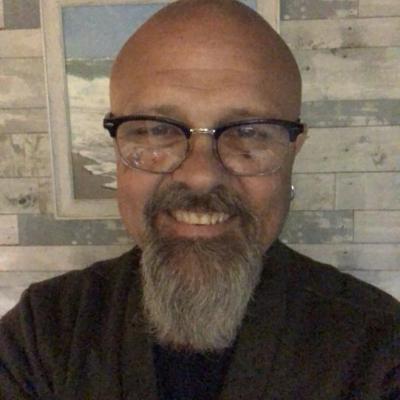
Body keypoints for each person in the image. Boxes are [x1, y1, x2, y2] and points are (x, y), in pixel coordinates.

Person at [0, 0, 399, 398]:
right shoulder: (41, 337)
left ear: (292, 153)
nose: (201, 174)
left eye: (249, 131)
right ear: (117, 150)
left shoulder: (378, 351)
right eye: (156, 130)